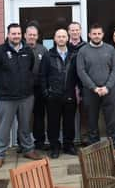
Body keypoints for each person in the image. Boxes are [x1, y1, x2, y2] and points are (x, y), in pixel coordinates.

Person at [0, 24, 42, 168]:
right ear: (8, 35)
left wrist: (29, 85)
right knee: (4, 128)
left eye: (18, 33)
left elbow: (31, 70)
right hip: (6, 98)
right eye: (13, 33)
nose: (16, 36)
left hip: (26, 96)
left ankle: (28, 149)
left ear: (22, 35)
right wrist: (2, 87)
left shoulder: (27, 51)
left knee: (25, 126)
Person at [76, 24, 115, 156]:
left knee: (111, 120)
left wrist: (107, 87)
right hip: (90, 92)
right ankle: (95, 148)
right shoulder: (83, 51)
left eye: (99, 33)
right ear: (89, 35)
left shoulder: (110, 49)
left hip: (109, 91)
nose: (96, 36)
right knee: (92, 121)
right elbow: (81, 71)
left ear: (102, 35)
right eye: (94, 34)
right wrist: (94, 87)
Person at [40, 28, 79, 158]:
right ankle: (54, 147)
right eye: (59, 36)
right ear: (55, 39)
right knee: (53, 123)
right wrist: (46, 93)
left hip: (69, 94)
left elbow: (78, 75)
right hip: (53, 96)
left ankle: (68, 145)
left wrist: (79, 92)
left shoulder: (74, 55)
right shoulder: (48, 55)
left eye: (63, 36)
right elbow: (42, 76)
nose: (61, 39)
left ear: (67, 38)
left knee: (69, 122)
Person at [24, 23, 48, 151]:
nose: (32, 37)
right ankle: (23, 143)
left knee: (39, 116)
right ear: (25, 35)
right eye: (30, 35)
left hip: (39, 88)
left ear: (37, 36)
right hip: (24, 89)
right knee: (24, 117)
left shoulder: (43, 50)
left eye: (34, 35)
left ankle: (40, 142)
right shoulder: (21, 48)